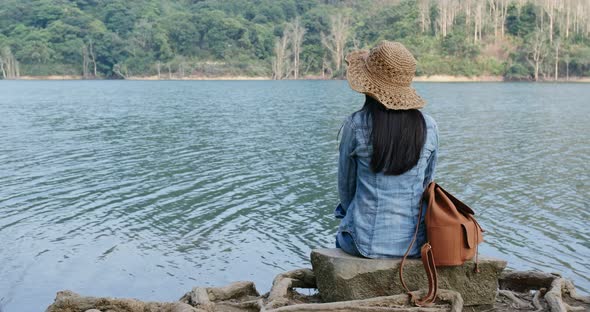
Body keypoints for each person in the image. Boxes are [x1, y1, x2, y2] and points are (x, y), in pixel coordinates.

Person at [335, 41, 439, 258]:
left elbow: (346, 189)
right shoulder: (428, 126)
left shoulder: (355, 125)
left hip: (364, 243)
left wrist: (348, 213)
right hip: (414, 244)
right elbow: (427, 183)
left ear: (368, 86)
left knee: (345, 221)